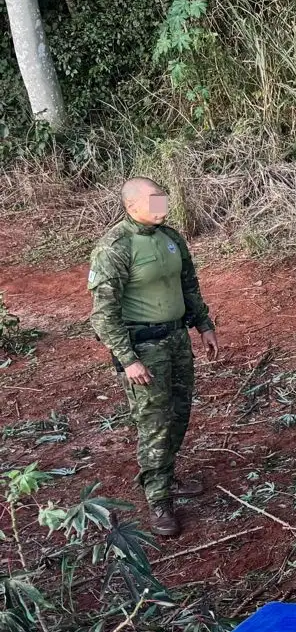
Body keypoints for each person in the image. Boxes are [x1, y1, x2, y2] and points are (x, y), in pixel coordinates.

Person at [88, 178, 219, 537]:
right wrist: (127, 359)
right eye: (153, 200)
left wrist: (204, 325)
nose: (162, 205)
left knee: (179, 412)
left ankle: (167, 475)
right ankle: (159, 500)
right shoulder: (115, 246)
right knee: (154, 421)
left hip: (176, 339)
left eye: (163, 198)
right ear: (131, 206)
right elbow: (103, 313)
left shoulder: (170, 238)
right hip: (143, 348)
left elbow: (188, 285)